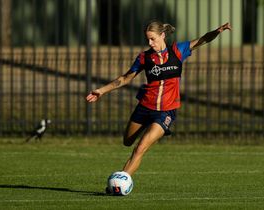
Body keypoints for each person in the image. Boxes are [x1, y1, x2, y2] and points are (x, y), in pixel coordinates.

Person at [86, 20, 231, 177]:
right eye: (147, 39)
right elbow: (125, 78)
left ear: (162, 36)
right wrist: (102, 91)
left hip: (166, 111)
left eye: (152, 39)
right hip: (145, 107)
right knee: (127, 141)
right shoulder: (144, 57)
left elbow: (202, 39)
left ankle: (121, 182)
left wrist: (218, 31)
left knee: (140, 148)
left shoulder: (178, 51)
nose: (150, 43)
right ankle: (124, 173)